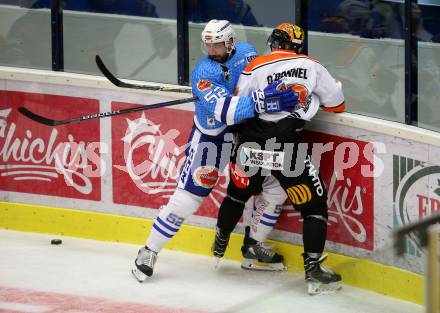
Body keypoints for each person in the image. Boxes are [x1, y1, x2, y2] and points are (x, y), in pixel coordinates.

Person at [131, 19, 299, 282]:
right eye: (207, 45)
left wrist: (276, 90)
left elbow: (262, 78)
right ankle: (149, 250)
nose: (211, 50)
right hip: (213, 140)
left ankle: (253, 249)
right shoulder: (203, 73)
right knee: (188, 199)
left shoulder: (247, 53)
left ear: (231, 41)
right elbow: (226, 112)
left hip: (248, 135)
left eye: (217, 44)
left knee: (276, 187)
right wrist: (264, 101)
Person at [212, 23, 345, 294]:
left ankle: (221, 241)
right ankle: (313, 270)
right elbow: (338, 104)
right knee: (314, 207)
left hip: (250, 145)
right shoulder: (312, 66)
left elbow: (237, 107)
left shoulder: (255, 66)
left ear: (273, 42)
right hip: (287, 149)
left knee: (239, 192)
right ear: (297, 46)